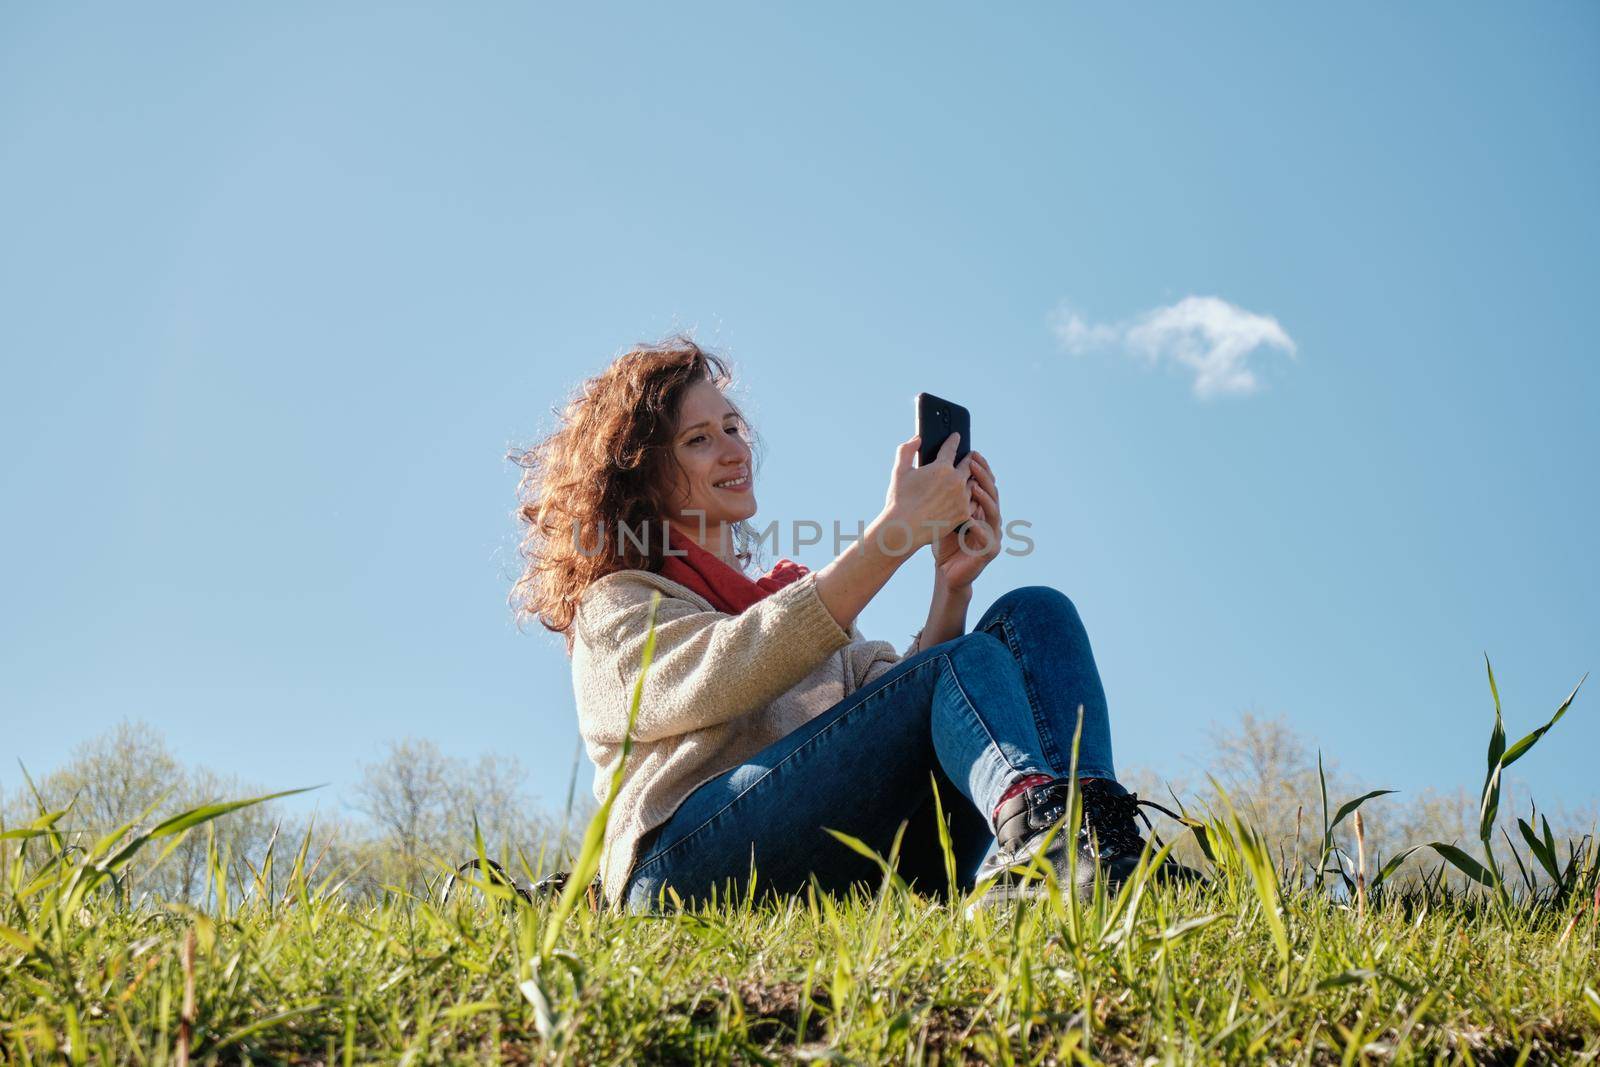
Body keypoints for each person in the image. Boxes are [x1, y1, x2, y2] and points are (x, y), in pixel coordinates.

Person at [509, 336, 1194, 914]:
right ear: (644, 477)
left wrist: (950, 586)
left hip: (831, 844)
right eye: (698, 438)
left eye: (733, 426)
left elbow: (911, 704)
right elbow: (729, 666)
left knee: (1033, 612)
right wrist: (892, 535)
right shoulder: (617, 605)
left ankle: (1096, 846)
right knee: (952, 665)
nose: (732, 447)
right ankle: (1037, 821)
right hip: (678, 870)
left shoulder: (794, 603)